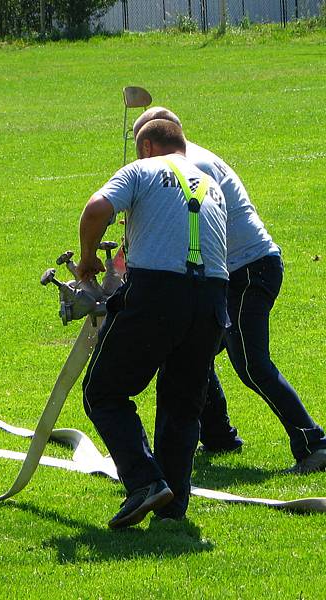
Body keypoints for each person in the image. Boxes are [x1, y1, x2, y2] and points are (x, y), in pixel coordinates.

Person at [133, 107, 326, 474]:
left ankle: (314, 443)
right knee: (188, 346)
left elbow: (201, 231)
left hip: (248, 271)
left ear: (150, 145)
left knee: (251, 365)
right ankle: (219, 436)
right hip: (234, 269)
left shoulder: (194, 169)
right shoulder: (187, 159)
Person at [76, 119, 229, 528]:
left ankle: (144, 482)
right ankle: (172, 510)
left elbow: (96, 210)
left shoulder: (141, 169)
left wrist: (88, 255)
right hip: (214, 296)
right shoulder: (211, 183)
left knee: (103, 392)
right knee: (183, 405)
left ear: (146, 147)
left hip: (159, 292)